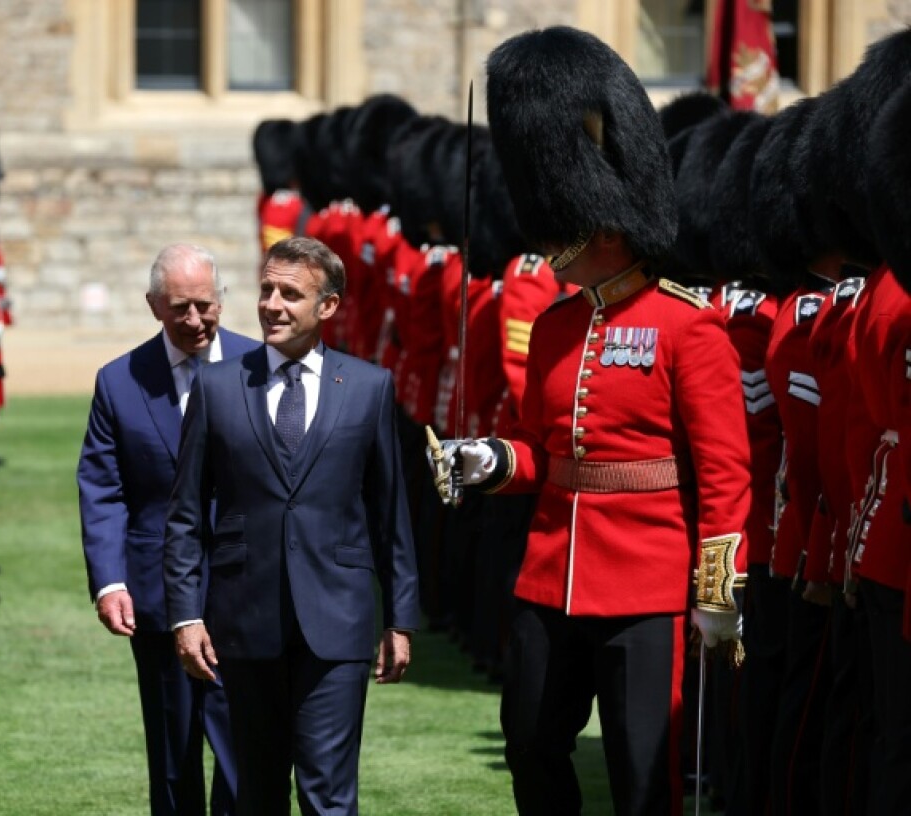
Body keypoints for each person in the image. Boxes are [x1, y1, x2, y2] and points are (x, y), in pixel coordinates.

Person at [440, 28, 751, 815]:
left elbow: (724, 469)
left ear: (605, 222)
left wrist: (717, 588)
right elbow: (542, 448)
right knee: (529, 745)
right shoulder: (555, 326)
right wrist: (492, 461)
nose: (547, 245)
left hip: (648, 581)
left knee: (643, 773)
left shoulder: (689, 326)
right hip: (551, 572)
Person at [164, 235, 419, 816]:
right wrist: (185, 614)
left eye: (290, 294)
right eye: (266, 290)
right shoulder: (217, 386)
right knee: (256, 794)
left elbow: (390, 515)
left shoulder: (369, 388)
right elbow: (185, 515)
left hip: (338, 624)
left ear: (328, 306)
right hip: (243, 623)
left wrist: (401, 619)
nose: (271, 305)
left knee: (328, 796)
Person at [78, 243, 253, 815]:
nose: (195, 319)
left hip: (244, 590)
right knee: (174, 758)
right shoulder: (119, 381)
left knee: (245, 754)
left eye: (205, 305)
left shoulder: (260, 366)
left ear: (222, 299)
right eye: (180, 308)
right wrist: (110, 582)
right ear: (154, 305)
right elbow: (103, 488)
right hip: (156, 596)